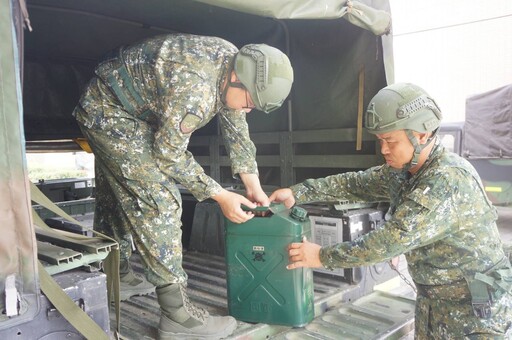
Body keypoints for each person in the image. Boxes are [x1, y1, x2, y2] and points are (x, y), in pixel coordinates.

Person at [73, 33, 293, 339]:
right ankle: (178, 318)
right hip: (108, 111)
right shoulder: (197, 91)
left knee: (120, 190)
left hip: (130, 108)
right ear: (235, 77)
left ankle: (117, 276)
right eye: (251, 102)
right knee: (160, 201)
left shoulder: (236, 62)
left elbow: (236, 123)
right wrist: (220, 195)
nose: (249, 110)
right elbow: (169, 155)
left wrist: (251, 183)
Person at [270, 83, 512, 338]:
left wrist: (320, 256)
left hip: (474, 314)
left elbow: (388, 242)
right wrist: (298, 193)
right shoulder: (407, 170)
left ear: (421, 135)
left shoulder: (447, 180)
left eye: (391, 141)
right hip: (435, 302)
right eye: (380, 140)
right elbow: (356, 183)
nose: (384, 149)